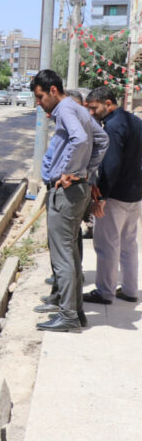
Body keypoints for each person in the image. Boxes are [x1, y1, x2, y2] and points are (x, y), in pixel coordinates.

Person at [31, 70, 108, 332]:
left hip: (67, 192)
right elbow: (102, 139)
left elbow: (82, 139)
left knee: (63, 256)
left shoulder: (65, 109)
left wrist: (70, 172)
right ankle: (76, 312)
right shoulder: (78, 109)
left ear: (53, 90)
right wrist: (85, 170)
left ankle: (68, 315)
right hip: (78, 190)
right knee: (71, 254)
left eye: (40, 97)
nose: (38, 103)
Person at [84, 85, 142, 305]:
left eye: (94, 107)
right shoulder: (135, 121)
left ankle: (105, 292)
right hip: (135, 193)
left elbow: (112, 164)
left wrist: (101, 197)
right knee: (128, 243)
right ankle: (129, 290)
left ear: (108, 103)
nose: (91, 112)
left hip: (116, 196)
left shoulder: (113, 126)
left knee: (107, 245)